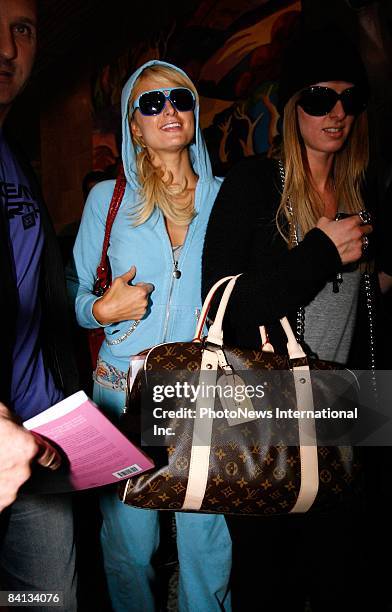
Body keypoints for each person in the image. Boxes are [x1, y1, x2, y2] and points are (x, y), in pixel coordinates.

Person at [202, 28, 376, 611]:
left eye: (350, 100)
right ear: (291, 106)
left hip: (346, 415)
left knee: (339, 575)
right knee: (268, 583)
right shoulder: (254, 184)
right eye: (320, 99)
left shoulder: (362, 193)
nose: (337, 114)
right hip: (265, 419)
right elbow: (226, 303)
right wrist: (321, 254)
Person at [69, 60, 231, 612]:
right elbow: (71, 297)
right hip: (123, 392)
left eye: (180, 99)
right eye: (151, 103)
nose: (168, 110)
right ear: (132, 124)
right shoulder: (105, 203)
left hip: (205, 392)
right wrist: (100, 307)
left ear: (195, 112)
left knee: (206, 548)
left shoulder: (229, 199)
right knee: (130, 549)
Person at [0, 0, 78, 607]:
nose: (6, 48)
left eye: (21, 31)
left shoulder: (13, 156)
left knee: (43, 600)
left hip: (44, 440)